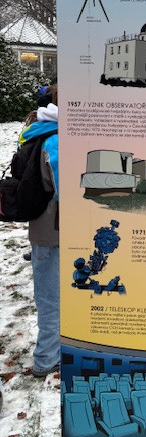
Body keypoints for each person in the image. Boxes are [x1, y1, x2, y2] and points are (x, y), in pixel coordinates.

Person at [21, 85, 60, 377]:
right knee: (51, 299)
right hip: (54, 229)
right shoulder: (56, 139)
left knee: (47, 295)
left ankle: (50, 353)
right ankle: (46, 359)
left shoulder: (38, 129)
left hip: (41, 226)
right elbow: (62, 189)